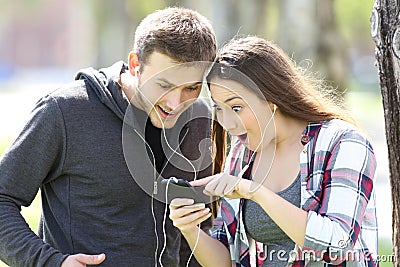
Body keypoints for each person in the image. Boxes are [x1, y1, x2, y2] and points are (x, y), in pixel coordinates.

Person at [0, 7, 217, 266]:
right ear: (136, 65)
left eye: (192, 88)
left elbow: (197, 231)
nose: (176, 102)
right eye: (164, 85)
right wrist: (49, 262)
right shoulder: (65, 111)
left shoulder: (199, 118)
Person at [169, 36, 378, 266]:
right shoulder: (243, 153)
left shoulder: (343, 142)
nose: (227, 123)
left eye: (236, 107)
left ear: (271, 100)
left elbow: (337, 244)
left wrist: (256, 192)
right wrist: (189, 229)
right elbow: (228, 259)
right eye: (219, 108)